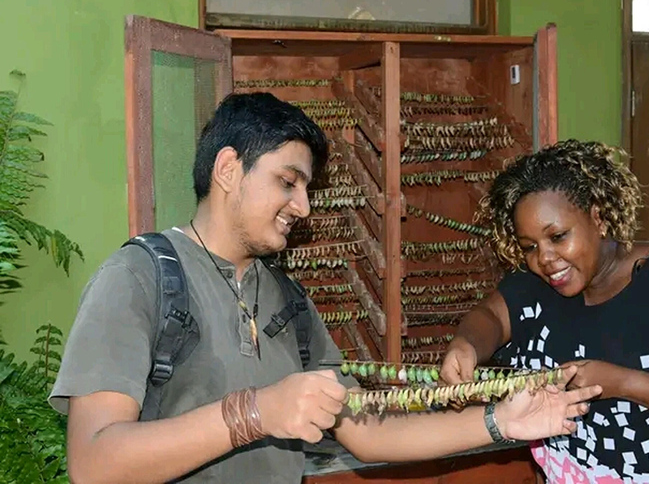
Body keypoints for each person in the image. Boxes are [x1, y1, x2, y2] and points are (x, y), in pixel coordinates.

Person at [49, 93, 600, 484]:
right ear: (226, 169)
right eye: (287, 182)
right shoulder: (139, 278)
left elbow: (367, 431)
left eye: (307, 188)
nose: (304, 206)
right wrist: (254, 413)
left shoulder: (290, 302)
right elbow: (94, 463)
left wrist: (500, 421)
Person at [440, 139, 649, 483]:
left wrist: (623, 383)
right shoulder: (536, 285)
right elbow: (490, 317)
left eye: (559, 236)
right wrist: (466, 344)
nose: (545, 258)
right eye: (530, 247)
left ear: (597, 217)